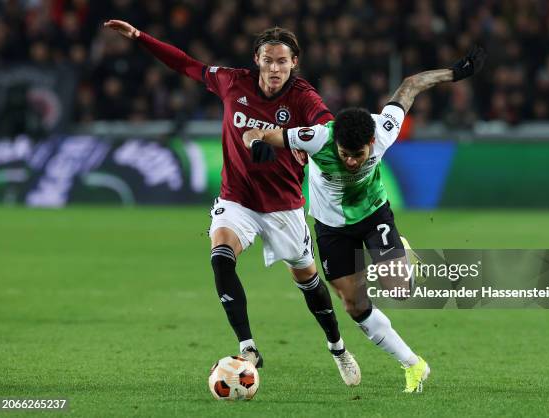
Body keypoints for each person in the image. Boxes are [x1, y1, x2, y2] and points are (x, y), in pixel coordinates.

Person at [103, 20, 360, 385]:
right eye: (268, 60)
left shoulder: (302, 97)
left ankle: (337, 347)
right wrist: (141, 38)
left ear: (294, 64)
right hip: (237, 198)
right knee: (221, 256)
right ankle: (248, 346)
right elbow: (186, 64)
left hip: (284, 205)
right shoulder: (231, 82)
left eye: (282, 62)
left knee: (308, 279)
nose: (275, 68)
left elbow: (326, 126)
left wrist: (304, 144)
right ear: (257, 59)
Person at [243, 46, 486, 393]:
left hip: (374, 216)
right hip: (330, 228)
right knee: (353, 304)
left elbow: (411, 85)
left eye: (358, 155)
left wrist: (454, 74)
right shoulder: (317, 137)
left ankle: (399, 252)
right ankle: (413, 364)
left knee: (400, 290)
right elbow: (255, 132)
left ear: (372, 142)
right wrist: (255, 145)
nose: (352, 162)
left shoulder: (384, 129)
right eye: (345, 155)